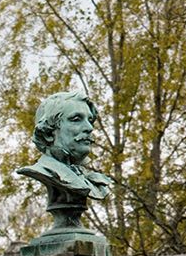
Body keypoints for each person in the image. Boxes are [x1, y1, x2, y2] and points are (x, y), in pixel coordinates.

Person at [17, 89, 114, 229]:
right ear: (49, 132)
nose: (89, 127)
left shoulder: (91, 179)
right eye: (76, 119)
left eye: (90, 120)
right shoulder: (44, 171)